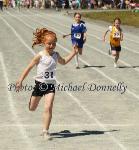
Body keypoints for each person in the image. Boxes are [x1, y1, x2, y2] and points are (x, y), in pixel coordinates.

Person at [16, 28, 78, 140]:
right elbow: (29, 67)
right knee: (32, 108)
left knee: (48, 106)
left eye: (54, 43)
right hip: (39, 85)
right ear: (44, 43)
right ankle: (31, 102)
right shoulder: (39, 55)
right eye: (49, 43)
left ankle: (45, 131)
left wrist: (73, 53)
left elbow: (63, 62)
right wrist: (20, 80)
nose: (51, 45)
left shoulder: (56, 55)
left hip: (50, 85)